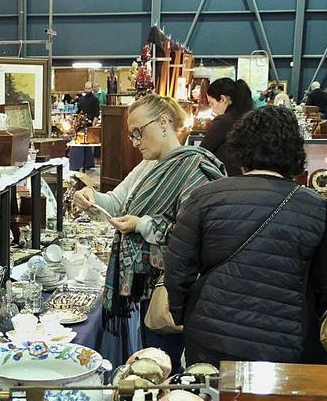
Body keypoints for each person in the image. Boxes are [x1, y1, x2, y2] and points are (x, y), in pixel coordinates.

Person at [164, 105, 327, 366]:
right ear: (295, 151)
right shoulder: (315, 206)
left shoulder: (206, 196)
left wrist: (184, 314)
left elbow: (178, 266)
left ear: (239, 147)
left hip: (211, 335)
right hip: (284, 341)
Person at [72, 94, 225, 371]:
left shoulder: (193, 168)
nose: (135, 142)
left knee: (166, 363)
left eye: (139, 132)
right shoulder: (149, 165)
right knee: (150, 358)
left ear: (164, 122)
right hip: (147, 286)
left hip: (174, 290)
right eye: (131, 135)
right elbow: (119, 202)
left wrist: (141, 225)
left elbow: (193, 236)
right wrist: (90, 196)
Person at [199, 78, 254, 174]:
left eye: (211, 103)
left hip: (226, 179)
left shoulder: (223, 122)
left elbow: (201, 152)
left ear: (223, 99)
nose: (212, 109)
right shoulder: (248, 117)